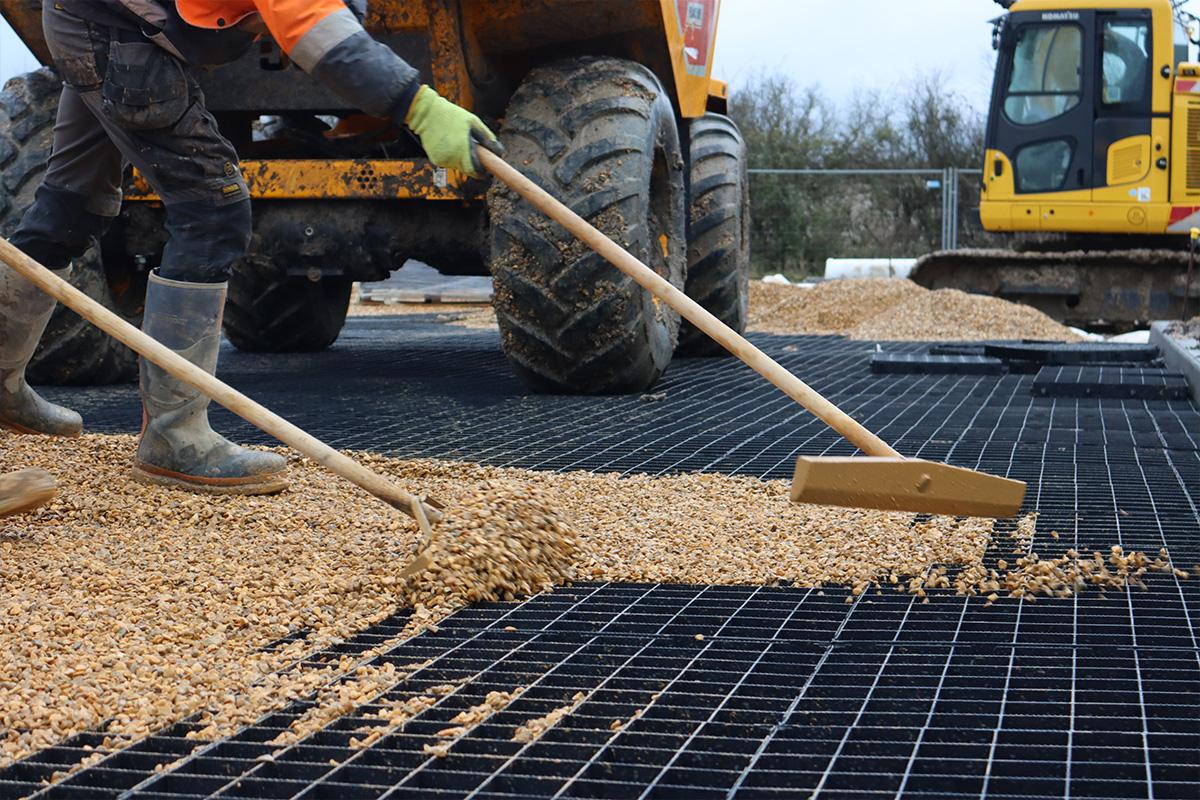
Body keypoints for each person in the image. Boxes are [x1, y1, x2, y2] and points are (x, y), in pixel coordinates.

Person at [0, 0, 500, 495]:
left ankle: (1, 385)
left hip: (96, 18)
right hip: (111, 26)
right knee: (211, 208)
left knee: (71, 202)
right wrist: (420, 107)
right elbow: (315, 27)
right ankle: (176, 439)